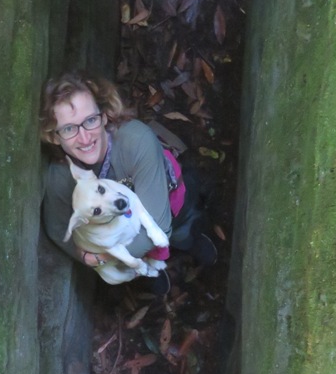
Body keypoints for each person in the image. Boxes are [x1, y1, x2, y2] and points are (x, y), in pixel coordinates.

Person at [39, 70, 216, 295]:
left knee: (180, 229)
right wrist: (84, 256)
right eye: (69, 129)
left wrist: (101, 257)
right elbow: (57, 227)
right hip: (122, 238)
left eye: (90, 120)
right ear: (54, 136)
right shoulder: (61, 178)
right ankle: (150, 272)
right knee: (138, 262)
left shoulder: (135, 141)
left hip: (170, 205)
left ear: (104, 116)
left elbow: (159, 225)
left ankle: (189, 240)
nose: (84, 138)